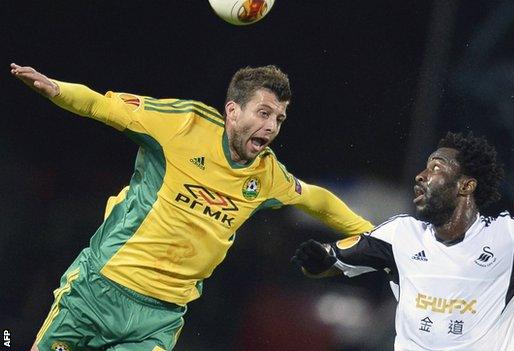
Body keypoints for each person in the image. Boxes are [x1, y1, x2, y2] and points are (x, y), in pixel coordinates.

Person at [10, 62, 374, 351]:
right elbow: (103, 106)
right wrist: (56, 89)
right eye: (263, 113)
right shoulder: (182, 124)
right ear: (232, 111)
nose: (271, 126)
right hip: (97, 290)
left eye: (279, 118)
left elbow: (315, 198)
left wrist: (371, 235)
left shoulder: (266, 176)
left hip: (158, 319)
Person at [291, 132, 514, 351]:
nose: (421, 175)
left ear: (465, 186)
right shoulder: (399, 234)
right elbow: (331, 264)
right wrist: (318, 263)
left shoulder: (509, 236)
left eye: (436, 168)